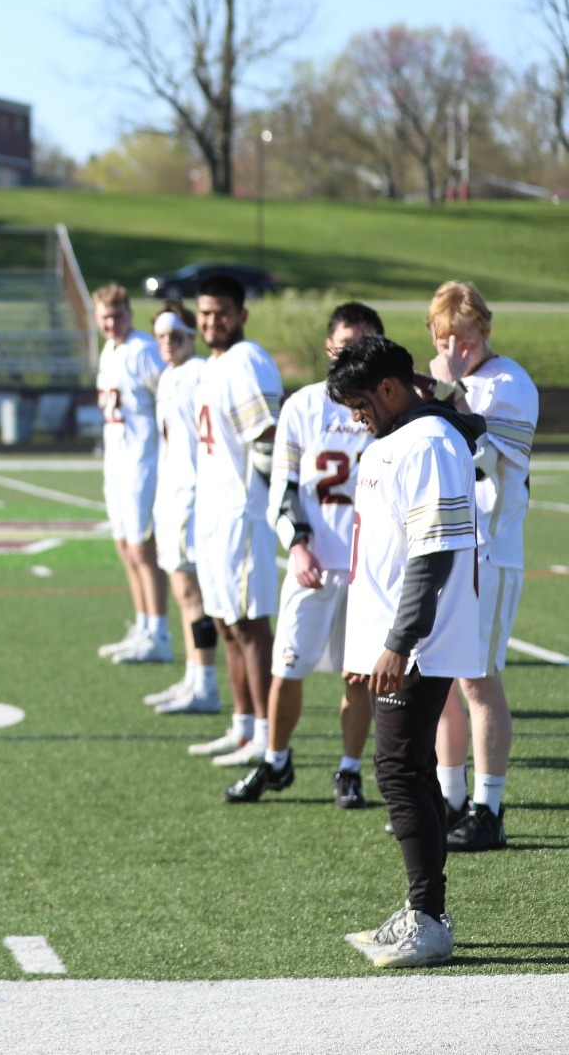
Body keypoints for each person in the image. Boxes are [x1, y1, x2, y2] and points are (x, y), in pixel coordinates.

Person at [329, 334, 484, 968]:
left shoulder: (427, 443)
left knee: (398, 771)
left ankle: (428, 918)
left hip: (420, 642)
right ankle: (424, 912)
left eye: (362, 402)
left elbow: (431, 553)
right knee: (408, 770)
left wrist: (399, 640)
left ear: (392, 388)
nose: (357, 416)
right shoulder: (402, 438)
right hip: (399, 638)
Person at [225, 303, 382, 804]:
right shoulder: (305, 406)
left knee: (357, 675)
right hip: (314, 560)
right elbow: (285, 486)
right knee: (286, 667)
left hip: (368, 569)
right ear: (329, 349)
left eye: (363, 346)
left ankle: (349, 769)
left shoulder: (393, 407)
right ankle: (275, 760)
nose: (352, 355)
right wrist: (297, 545)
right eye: (344, 347)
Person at [424, 282, 536, 852]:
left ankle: (489, 807)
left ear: (484, 332)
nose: (456, 350)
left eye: (463, 340)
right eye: (445, 339)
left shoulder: (510, 383)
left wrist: (450, 389)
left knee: (479, 678)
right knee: (443, 673)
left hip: (491, 548)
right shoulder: (453, 380)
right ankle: (449, 797)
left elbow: (484, 448)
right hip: (450, 545)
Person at [183, 274, 283, 770]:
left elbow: (268, 441)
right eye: (204, 313)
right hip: (214, 511)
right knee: (225, 623)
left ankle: (267, 734)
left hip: (243, 512)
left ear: (241, 314)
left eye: (221, 312)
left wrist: (275, 508)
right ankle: (243, 726)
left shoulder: (247, 360)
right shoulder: (211, 365)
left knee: (250, 626)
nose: (211, 321)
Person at [142, 304, 220, 715]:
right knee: (182, 589)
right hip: (172, 493)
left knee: (193, 593)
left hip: (191, 493)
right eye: (161, 338)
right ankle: (194, 677)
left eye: (176, 336)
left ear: (192, 336)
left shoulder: (196, 374)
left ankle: (206, 682)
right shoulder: (170, 376)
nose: (168, 344)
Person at [92, 285, 168, 665]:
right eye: (104, 316)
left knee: (142, 547)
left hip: (143, 460)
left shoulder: (142, 350)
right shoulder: (109, 350)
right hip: (117, 460)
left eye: (117, 315)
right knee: (124, 546)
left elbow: (167, 395)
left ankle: (159, 631)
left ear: (129, 313)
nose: (111, 323)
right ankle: (142, 625)